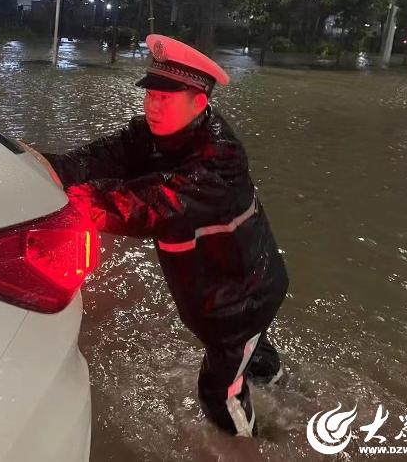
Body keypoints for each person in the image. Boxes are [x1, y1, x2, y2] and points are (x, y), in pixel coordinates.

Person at [40, 35, 289, 437]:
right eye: (150, 95)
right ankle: (284, 390)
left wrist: (68, 203)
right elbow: (97, 159)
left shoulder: (219, 160)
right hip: (223, 287)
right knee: (255, 357)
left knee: (218, 393)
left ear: (199, 103)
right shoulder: (151, 136)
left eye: (165, 99)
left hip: (240, 303)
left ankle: (247, 446)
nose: (152, 107)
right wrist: (41, 168)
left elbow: (147, 206)